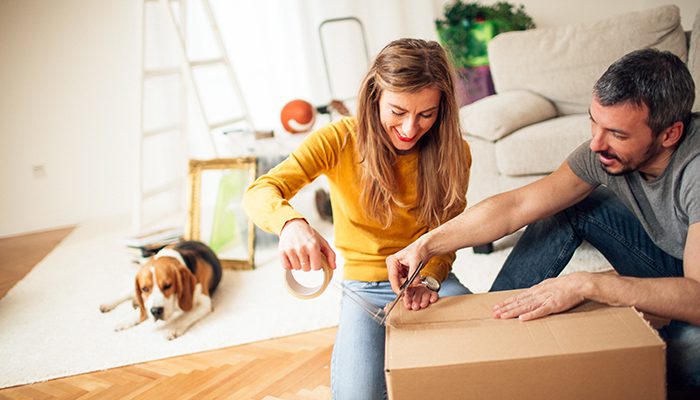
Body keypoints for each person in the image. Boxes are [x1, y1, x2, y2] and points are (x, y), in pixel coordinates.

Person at [387, 48, 700, 390]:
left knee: (673, 363)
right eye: (594, 122)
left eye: (617, 134)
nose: (596, 144)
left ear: (670, 134)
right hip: (672, 261)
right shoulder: (601, 152)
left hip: (694, 291)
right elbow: (518, 205)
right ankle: (494, 333)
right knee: (573, 203)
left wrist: (589, 284)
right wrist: (426, 245)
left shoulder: (695, 172)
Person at [243, 38, 472, 399]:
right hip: (364, 288)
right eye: (398, 111)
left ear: (442, 109)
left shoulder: (454, 152)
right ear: (374, 97)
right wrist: (290, 224)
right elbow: (261, 190)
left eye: (426, 114)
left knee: (484, 361)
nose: (411, 128)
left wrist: (429, 278)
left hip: (426, 281)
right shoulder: (338, 139)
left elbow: (448, 236)